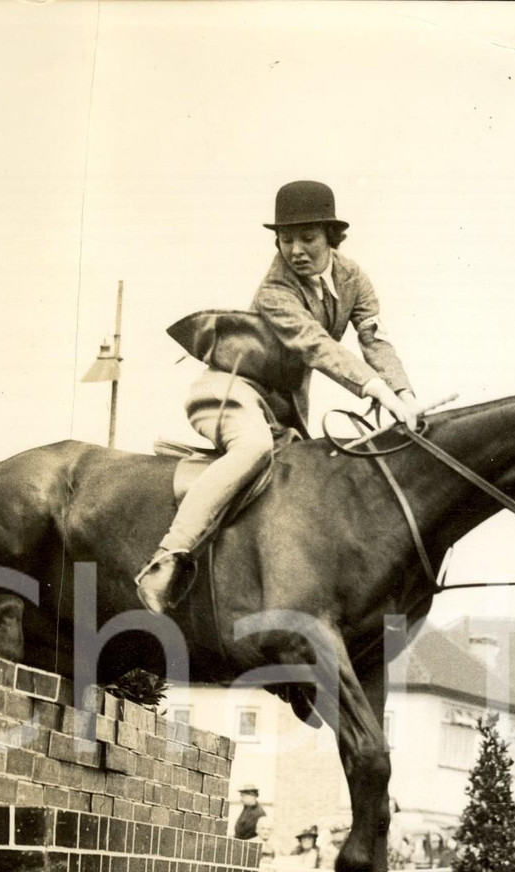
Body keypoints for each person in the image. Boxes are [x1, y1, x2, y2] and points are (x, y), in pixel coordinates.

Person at [136, 180, 422, 612]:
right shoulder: (274, 292)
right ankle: (168, 559)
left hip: (280, 412)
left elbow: (375, 340)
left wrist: (405, 395)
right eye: (286, 239)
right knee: (253, 448)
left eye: (307, 238)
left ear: (331, 237)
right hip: (229, 393)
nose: (295, 250)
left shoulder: (354, 278)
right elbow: (317, 347)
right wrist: (377, 390)